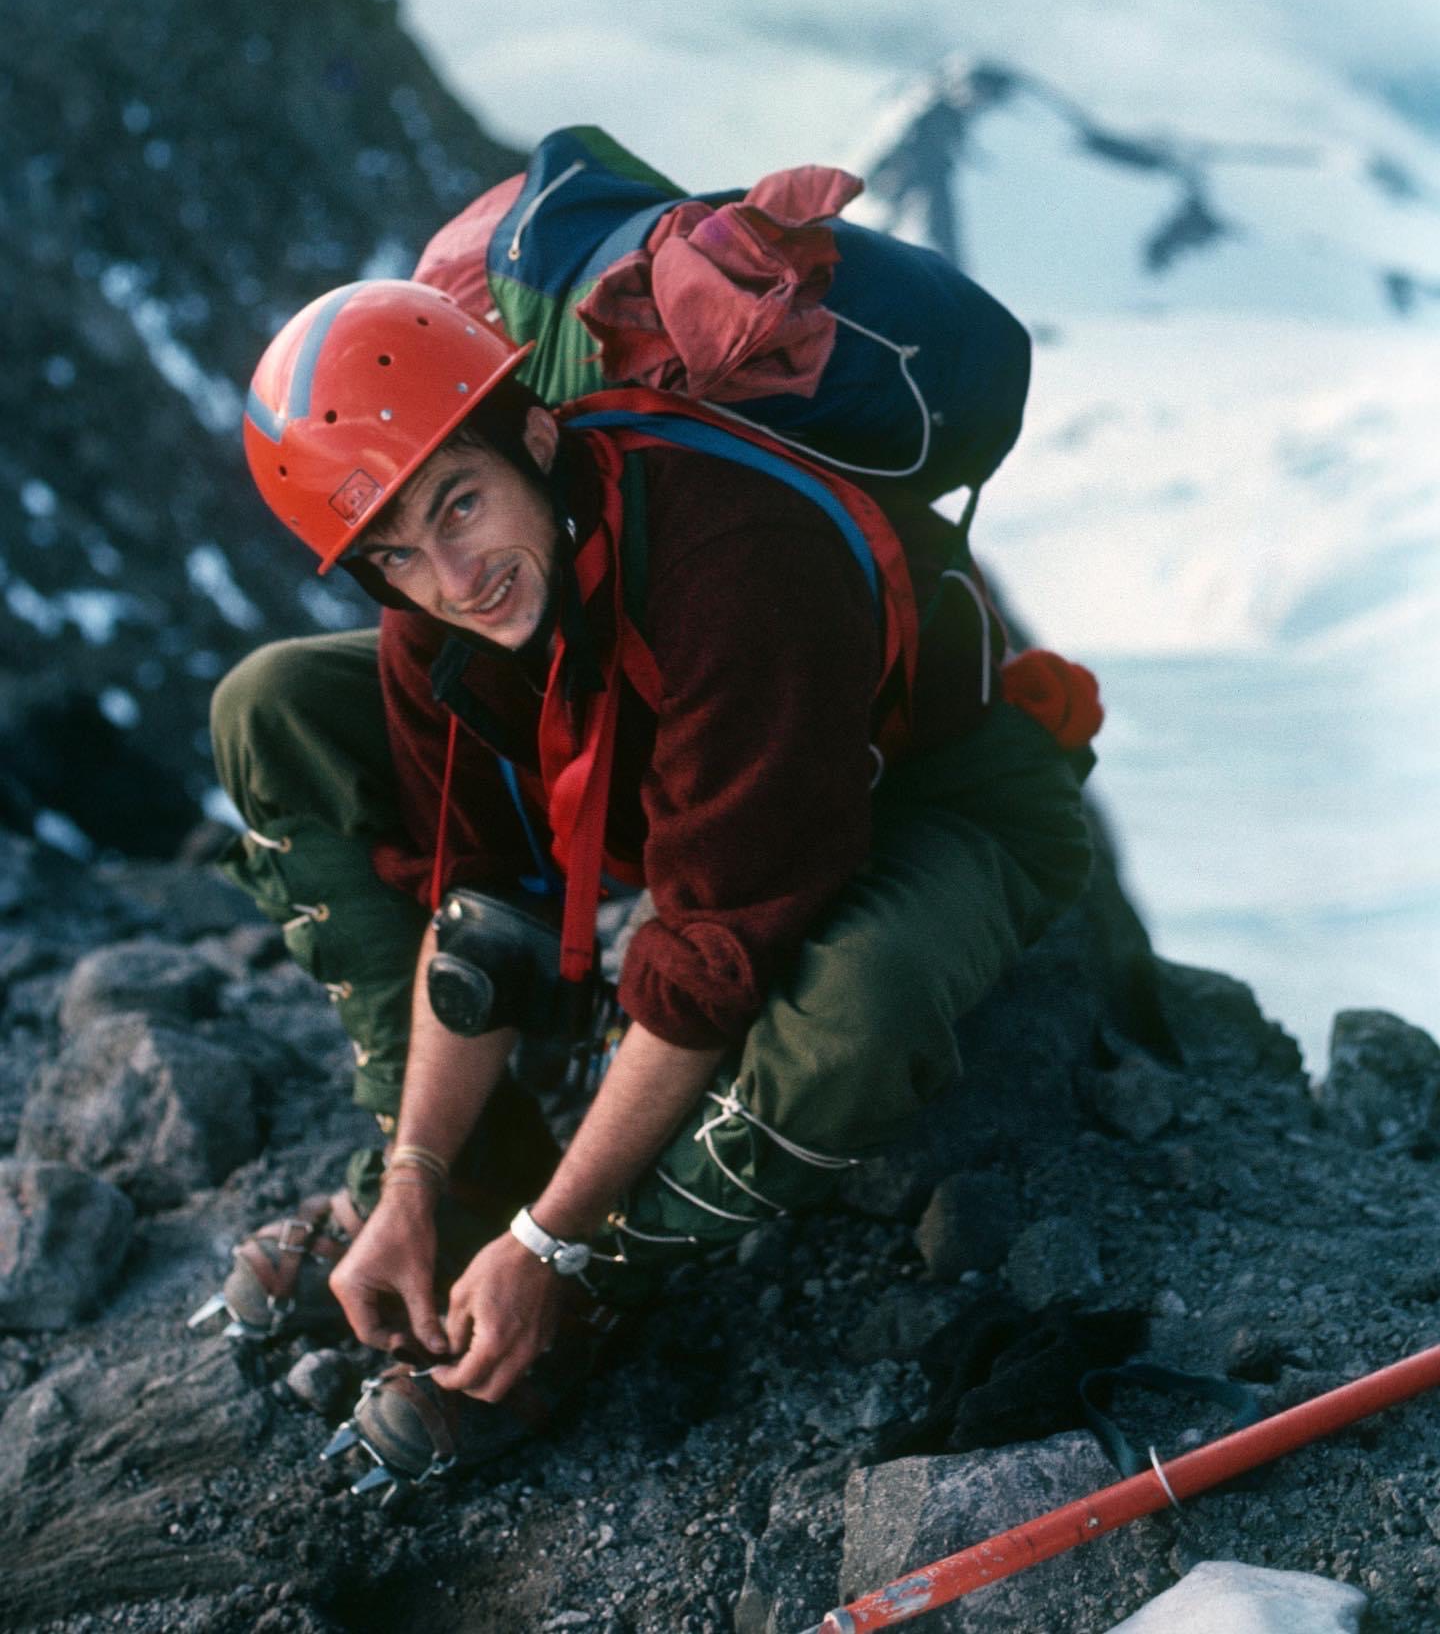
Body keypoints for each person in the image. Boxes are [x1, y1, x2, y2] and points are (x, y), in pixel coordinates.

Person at [205, 275, 1098, 1487]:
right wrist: (416, 1171)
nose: (454, 579)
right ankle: (441, 1207)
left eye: (460, 506)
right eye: (398, 554)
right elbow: (482, 908)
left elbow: (710, 962)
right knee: (274, 705)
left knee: (859, 1005)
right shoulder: (434, 603)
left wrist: (552, 1240)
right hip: (656, 765)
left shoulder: (736, 553)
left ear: (531, 432)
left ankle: (570, 1296)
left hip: (931, 797)